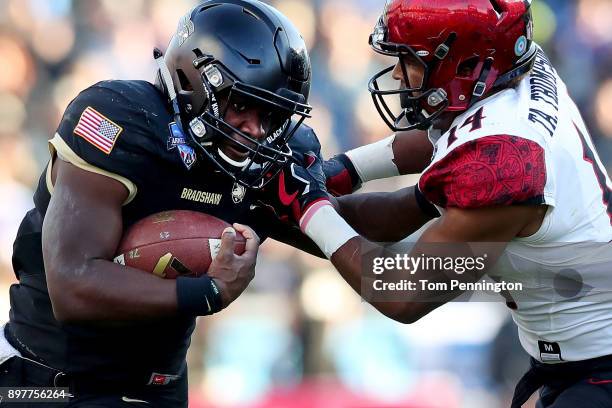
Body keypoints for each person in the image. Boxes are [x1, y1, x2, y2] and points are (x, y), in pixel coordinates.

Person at [268, 1, 612, 407]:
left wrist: (306, 206)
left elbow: (401, 292)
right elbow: (422, 176)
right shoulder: (511, 75)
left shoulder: (503, 165)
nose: (398, 73)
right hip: (576, 361)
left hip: (597, 369)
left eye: (411, 60)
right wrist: (332, 175)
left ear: (466, 67)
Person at [0, 1, 325, 406]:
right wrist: (207, 292)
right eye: (241, 105)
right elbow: (72, 284)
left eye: (272, 116)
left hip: (159, 388)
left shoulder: (257, 158)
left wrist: (401, 171)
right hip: (51, 380)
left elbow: (356, 247)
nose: (255, 131)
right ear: (194, 79)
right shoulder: (121, 118)